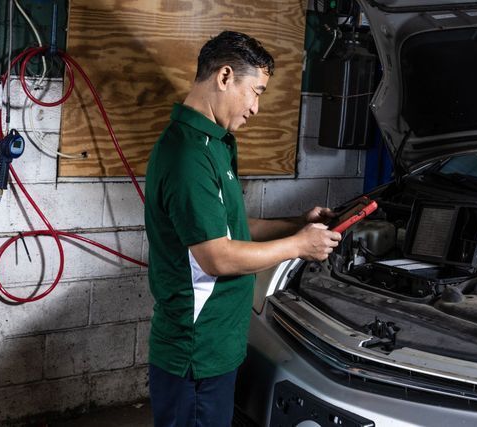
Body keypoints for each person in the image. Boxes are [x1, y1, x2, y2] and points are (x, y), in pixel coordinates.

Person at [144, 31, 342, 427]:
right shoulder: (190, 156)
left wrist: (298, 223)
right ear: (224, 77)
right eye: (256, 91)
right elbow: (217, 255)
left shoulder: (214, 143)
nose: (256, 107)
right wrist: (299, 246)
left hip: (219, 344)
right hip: (197, 353)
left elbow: (231, 227)